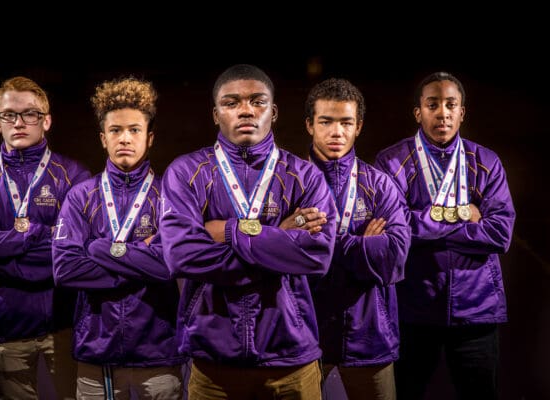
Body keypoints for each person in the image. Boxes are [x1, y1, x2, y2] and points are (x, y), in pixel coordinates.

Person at [159, 64, 337, 400]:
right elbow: (181, 256)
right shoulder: (185, 173)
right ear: (215, 114)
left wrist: (227, 230)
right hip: (213, 365)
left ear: (274, 111)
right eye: (231, 103)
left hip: (291, 362)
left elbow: (317, 256)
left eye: (258, 101)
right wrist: (280, 237)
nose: (246, 110)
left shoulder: (306, 177)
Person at [374, 71, 516, 400]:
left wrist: (423, 224)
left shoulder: (486, 162)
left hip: (476, 311)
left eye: (451, 104)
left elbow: (500, 233)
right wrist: (465, 214)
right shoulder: (392, 162)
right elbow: (394, 231)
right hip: (413, 309)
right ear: (418, 112)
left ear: (462, 112)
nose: (443, 113)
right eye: (433, 104)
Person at [0, 76, 90, 399]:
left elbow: (76, 250)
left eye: (29, 113)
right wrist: (42, 235)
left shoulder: (76, 177)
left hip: (65, 325)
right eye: (8, 114)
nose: (19, 122)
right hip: (5, 328)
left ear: (47, 120)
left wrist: (8, 250)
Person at [52, 77, 185, 399]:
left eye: (134, 129)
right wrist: (139, 261)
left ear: (149, 137)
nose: (124, 138)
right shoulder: (80, 196)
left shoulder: (172, 194)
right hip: (97, 357)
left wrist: (97, 248)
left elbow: (172, 265)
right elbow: (66, 269)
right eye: (115, 130)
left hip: (159, 355)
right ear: (102, 138)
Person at [305, 78, 410, 400]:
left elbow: (394, 259)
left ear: (359, 126)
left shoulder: (380, 185)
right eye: (326, 121)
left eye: (346, 122)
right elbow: (282, 254)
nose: (336, 132)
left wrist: (325, 240)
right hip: (303, 337)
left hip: (370, 336)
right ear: (310, 125)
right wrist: (363, 243)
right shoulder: (290, 180)